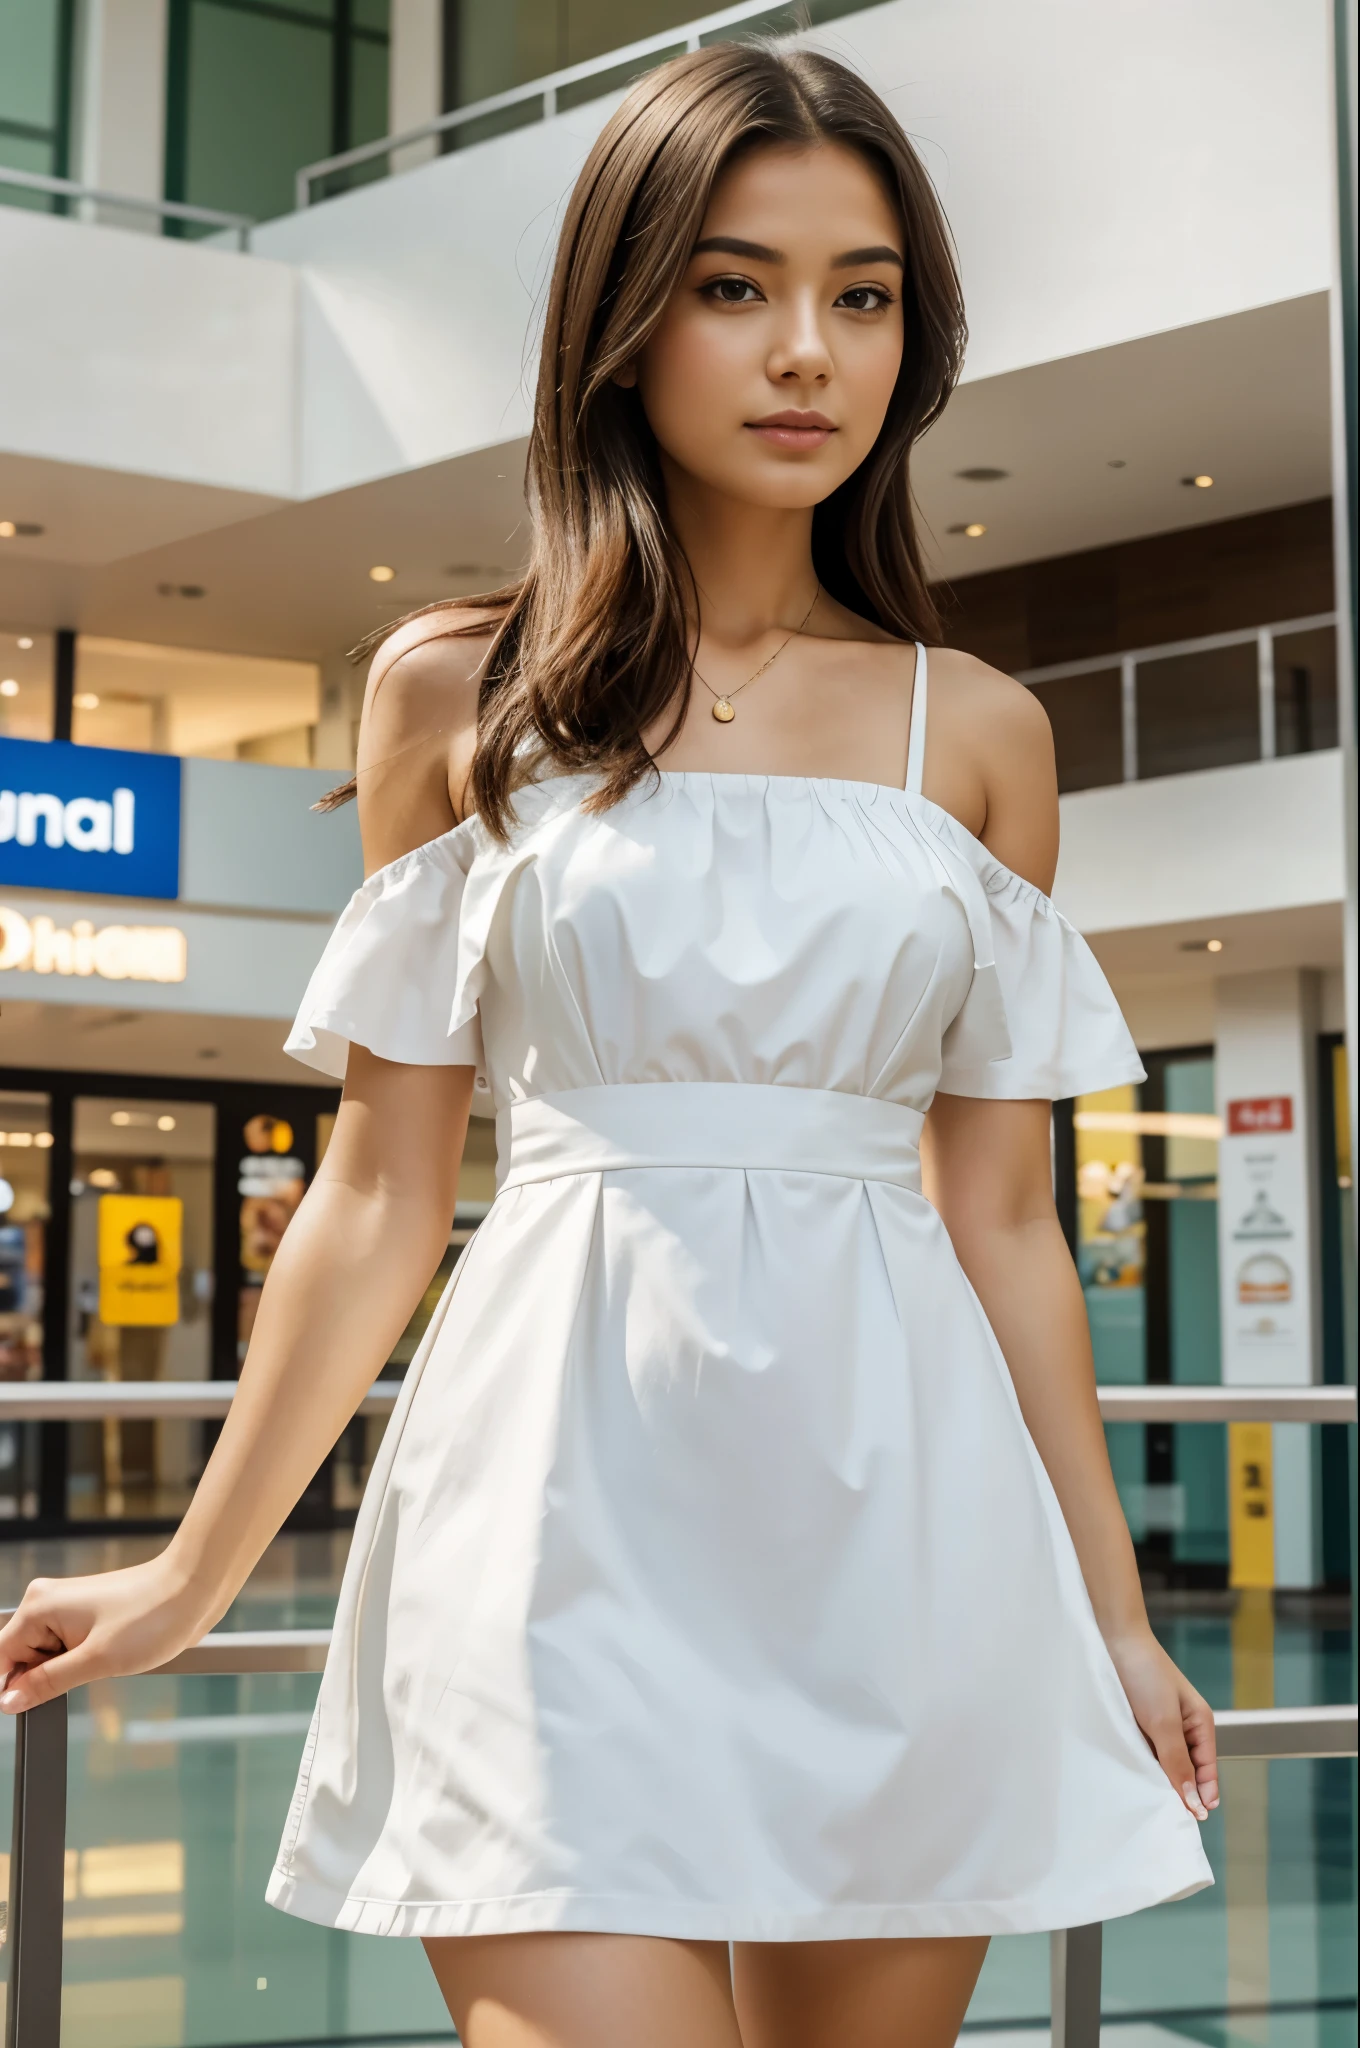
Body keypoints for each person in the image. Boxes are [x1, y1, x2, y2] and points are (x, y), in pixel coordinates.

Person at [0, 44, 1217, 2048]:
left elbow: (1004, 1223)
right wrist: (192, 1575)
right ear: (621, 315)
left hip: (899, 1526)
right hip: (554, 1507)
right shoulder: (451, 694)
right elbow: (382, 1188)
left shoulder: (975, 735)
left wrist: (1105, 1611)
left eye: (863, 292)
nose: (804, 351)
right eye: (733, 285)